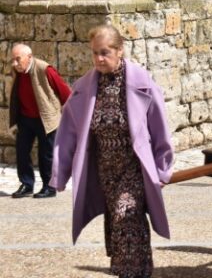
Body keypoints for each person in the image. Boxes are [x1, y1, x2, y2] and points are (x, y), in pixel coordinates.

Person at [51, 24, 174, 277]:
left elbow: (160, 127)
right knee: (121, 224)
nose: (99, 58)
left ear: (120, 50)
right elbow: (67, 133)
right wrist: (60, 174)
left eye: (105, 52)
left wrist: (163, 169)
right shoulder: (84, 87)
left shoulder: (142, 82)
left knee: (125, 213)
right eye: (95, 53)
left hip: (134, 167)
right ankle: (135, 270)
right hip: (105, 170)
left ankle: (131, 273)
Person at [8, 44, 71, 199]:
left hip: (46, 118)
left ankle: (49, 187)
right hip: (25, 118)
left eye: (18, 59)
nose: (14, 63)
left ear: (29, 57)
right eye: (13, 60)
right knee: (22, 152)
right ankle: (27, 184)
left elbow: (65, 92)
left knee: (46, 155)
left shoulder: (45, 69)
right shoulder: (17, 71)